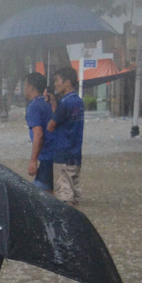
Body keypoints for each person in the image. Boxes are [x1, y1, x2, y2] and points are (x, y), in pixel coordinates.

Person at [47, 67, 85, 205]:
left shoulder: (64, 103)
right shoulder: (78, 102)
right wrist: (53, 102)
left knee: (64, 195)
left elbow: (51, 126)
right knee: (75, 191)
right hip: (76, 153)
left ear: (67, 82)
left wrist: (53, 105)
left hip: (62, 153)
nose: (55, 84)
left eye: (57, 81)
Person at [22, 72, 55, 192]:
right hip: (60, 155)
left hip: (48, 157)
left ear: (31, 87)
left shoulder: (34, 106)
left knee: (40, 195)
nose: (24, 89)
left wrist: (33, 161)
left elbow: (39, 134)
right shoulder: (49, 102)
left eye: (25, 86)